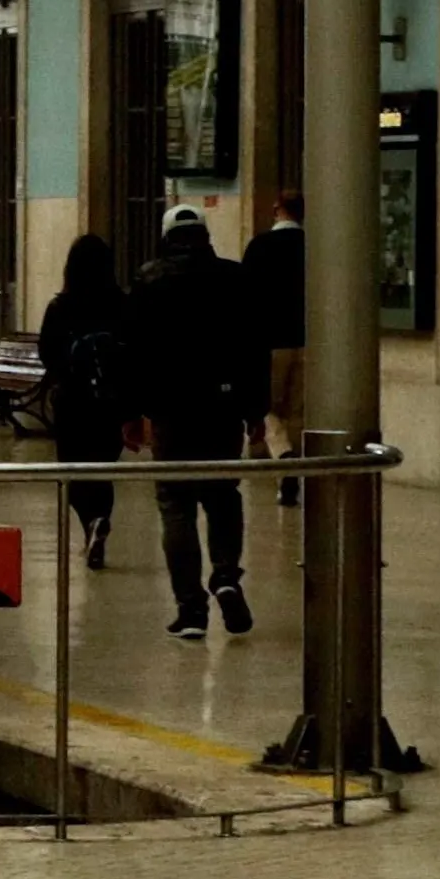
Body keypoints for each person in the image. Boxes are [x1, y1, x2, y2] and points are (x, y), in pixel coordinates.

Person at [130, 206, 256, 638]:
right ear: (204, 235)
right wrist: (255, 411)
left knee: (175, 503)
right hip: (222, 407)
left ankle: (191, 610)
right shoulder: (235, 278)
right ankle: (225, 577)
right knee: (223, 492)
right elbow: (251, 347)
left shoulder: (149, 280)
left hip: (169, 410)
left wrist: (132, 412)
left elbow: (136, 351)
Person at [32, 232, 133, 565]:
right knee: (102, 468)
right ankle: (100, 517)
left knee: (73, 469)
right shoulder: (122, 304)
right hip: (110, 401)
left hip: (72, 401)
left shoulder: (61, 306)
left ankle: (90, 521)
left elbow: (46, 352)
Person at [244, 191, 311, 499]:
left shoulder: (260, 247)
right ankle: (293, 467)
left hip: (269, 341)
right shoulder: (313, 246)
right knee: (297, 410)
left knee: (268, 406)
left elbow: (247, 296)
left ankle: (283, 457)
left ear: (276, 209)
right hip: (307, 340)